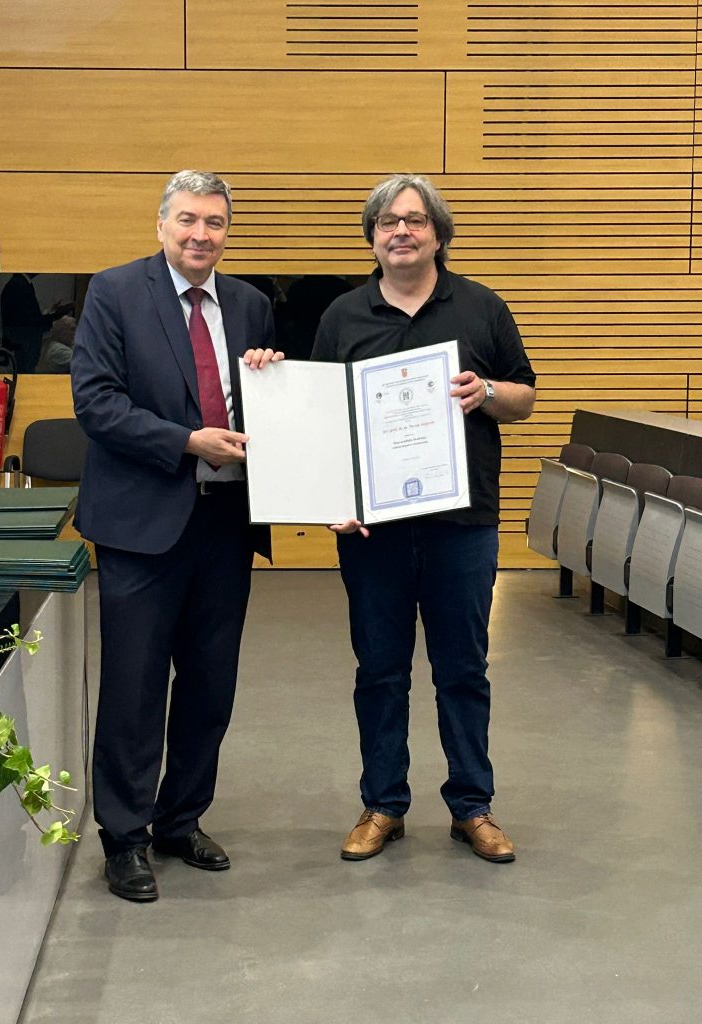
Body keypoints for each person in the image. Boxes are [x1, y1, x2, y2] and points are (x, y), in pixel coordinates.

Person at [311, 174, 536, 864]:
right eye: (387, 222)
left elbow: (524, 398)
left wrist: (486, 390)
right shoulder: (342, 315)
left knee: (462, 669)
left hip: (463, 526)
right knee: (379, 670)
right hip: (373, 532)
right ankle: (383, 804)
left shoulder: (482, 307)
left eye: (414, 220)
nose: (400, 231)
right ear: (372, 236)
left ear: (438, 233)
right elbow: (322, 419)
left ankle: (472, 806)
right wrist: (332, 499)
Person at [71, 170, 282, 902]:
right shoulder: (114, 292)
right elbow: (96, 402)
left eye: (215, 222)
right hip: (140, 526)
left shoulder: (252, 305)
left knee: (209, 684)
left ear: (227, 232)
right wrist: (187, 441)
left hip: (225, 523)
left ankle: (180, 819)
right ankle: (124, 837)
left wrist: (272, 380)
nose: (201, 234)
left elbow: (267, 409)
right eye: (188, 219)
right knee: (132, 689)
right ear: (162, 224)